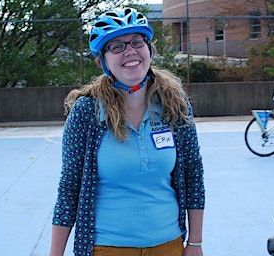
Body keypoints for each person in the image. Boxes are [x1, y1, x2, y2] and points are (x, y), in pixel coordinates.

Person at [49, 7, 205, 256]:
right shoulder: (87, 111)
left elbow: (192, 175)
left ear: (149, 50)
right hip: (106, 247)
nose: (130, 51)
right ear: (102, 61)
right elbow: (70, 187)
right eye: (117, 46)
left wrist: (195, 243)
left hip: (169, 245)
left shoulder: (174, 104)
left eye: (136, 41)